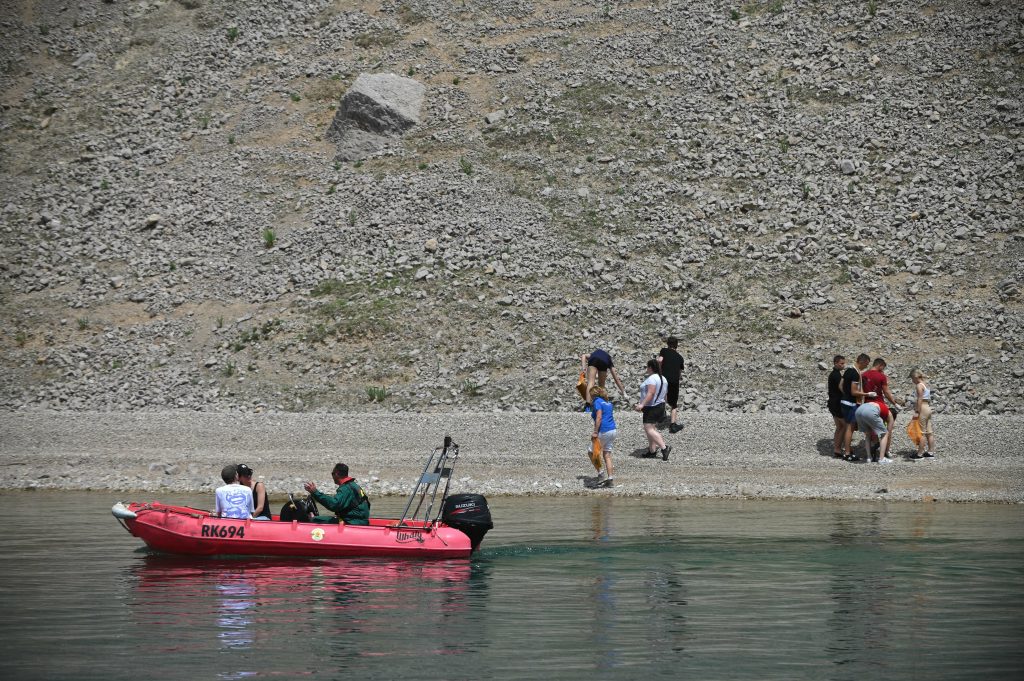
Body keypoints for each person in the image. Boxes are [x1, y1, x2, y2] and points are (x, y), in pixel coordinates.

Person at [861, 358, 902, 462]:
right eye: (883, 368)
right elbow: (886, 392)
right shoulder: (881, 376)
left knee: (870, 431)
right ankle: (886, 451)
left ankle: (870, 455)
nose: (883, 370)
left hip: (866, 404)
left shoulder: (863, 374)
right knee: (889, 424)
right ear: (880, 365)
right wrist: (894, 403)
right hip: (879, 404)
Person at [303, 463, 370, 525]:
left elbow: (334, 505)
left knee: (314, 519)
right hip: (358, 520)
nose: (332, 476)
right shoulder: (353, 485)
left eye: (332, 473)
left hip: (353, 522)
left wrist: (315, 492)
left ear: (337, 474)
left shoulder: (346, 488)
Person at [635, 358, 671, 460]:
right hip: (660, 405)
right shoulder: (663, 378)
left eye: (647, 367)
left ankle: (664, 448)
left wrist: (642, 405)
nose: (646, 369)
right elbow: (665, 395)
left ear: (650, 367)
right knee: (652, 428)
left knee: (649, 429)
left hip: (651, 407)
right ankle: (652, 451)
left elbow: (651, 393)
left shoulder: (651, 379)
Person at [839, 353, 871, 461]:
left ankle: (847, 450)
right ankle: (847, 453)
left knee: (848, 427)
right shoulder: (855, 373)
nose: (866, 367)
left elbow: (841, 385)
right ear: (862, 361)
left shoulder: (848, 370)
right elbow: (854, 392)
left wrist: (845, 394)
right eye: (866, 364)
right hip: (851, 403)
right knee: (850, 428)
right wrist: (867, 394)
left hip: (844, 401)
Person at [588, 386, 617, 487]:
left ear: (593, 394)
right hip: (613, 430)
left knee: (592, 452)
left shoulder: (597, 402)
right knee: (607, 455)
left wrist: (595, 432)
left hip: (603, 430)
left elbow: (599, 417)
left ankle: (600, 474)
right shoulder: (608, 403)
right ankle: (610, 479)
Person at [657, 336, 685, 433]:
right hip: (674, 380)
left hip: (664, 379)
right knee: (674, 404)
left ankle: (661, 416)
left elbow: (659, 360)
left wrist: (660, 372)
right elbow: (679, 372)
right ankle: (673, 426)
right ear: (676, 345)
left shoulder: (664, 351)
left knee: (662, 397)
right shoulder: (680, 357)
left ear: (668, 344)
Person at [908, 368, 936, 460]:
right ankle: (931, 452)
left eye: (912, 378)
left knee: (921, 432)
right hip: (928, 407)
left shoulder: (919, 385)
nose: (912, 381)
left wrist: (917, 411)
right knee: (929, 431)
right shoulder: (925, 384)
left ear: (915, 377)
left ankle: (919, 454)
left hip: (923, 408)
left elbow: (919, 399)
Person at [827, 355, 847, 458]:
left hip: (832, 403)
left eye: (844, 363)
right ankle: (838, 449)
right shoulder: (836, 375)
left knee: (839, 426)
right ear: (835, 363)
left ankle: (837, 448)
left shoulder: (834, 374)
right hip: (836, 404)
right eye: (841, 363)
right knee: (844, 426)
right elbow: (841, 387)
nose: (843, 365)